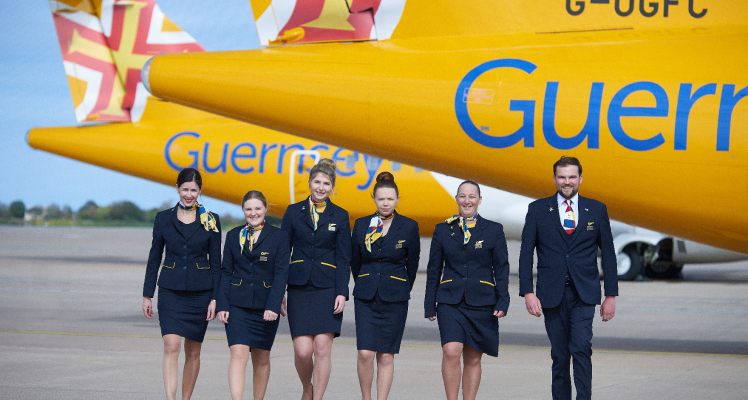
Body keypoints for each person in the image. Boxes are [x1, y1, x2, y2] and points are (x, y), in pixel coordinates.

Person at [518, 156, 618, 400]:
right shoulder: (538, 209)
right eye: (562, 177)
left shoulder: (596, 209)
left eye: (572, 177)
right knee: (560, 355)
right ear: (554, 179)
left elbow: (609, 255)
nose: (567, 182)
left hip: (584, 293)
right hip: (551, 294)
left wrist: (611, 295)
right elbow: (525, 253)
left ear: (580, 179)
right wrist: (528, 292)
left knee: (581, 347)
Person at [424, 180, 510, 400]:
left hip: (482, 300)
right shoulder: (443, 230)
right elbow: (434, 268)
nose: (467, 200)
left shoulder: (493, 230)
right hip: (450, 300)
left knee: (473, 357)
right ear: (456, 199)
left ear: (480, 200)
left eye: (472, 196)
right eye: (462, 196)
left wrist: (503, 300)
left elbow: (501, 267)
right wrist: (429, 303)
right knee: (451, 351)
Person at [142, 168, 221, 400]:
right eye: (185, 189)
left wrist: (216, 298)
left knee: (193, 351)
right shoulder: (163, 218)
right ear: (177, 188)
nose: (189, 194)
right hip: (170, 291)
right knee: (171, 346)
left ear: (200, 191)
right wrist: (148, 294)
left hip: (201, 293)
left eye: (194, 190)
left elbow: (217, 263)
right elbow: (154, 257)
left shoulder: (211, 220)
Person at [280, 158, 351, 400]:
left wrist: (342, 291)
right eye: (317, 182)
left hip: (328, 288)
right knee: (302, 351)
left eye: (326, 183)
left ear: (333, 187)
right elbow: (282, 254)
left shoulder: (340, 216)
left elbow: (344, 258)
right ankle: (307, 388)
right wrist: (279, 291)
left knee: (322, 348)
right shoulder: (292, 212)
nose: (321, 187)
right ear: (309, 183)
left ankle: (316, 396)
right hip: (299, 288)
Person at [350, 172, 420, 400]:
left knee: (386, 355)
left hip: (395, 297)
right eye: (381, 199)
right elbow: (355, 262)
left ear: (398, 199)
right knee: (364, 353)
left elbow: (413, 265)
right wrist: (367, 280)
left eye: (390, 199)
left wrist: (398, 286)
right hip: (366, 297)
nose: (386, 203)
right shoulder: (361, 225)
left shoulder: (409, 227)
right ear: (374, 199)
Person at [217, 190, 289, 400]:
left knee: (261, 358)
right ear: (243, 211)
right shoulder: (233, 235)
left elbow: (281, 273)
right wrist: (223, 304)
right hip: (237, 304)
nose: (253, 213)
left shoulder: (279, 236)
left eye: (258, 208)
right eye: (249, 209)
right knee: (238, 354)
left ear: (266, 209)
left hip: (265, 306)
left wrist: (273, 306)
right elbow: (226, 272)